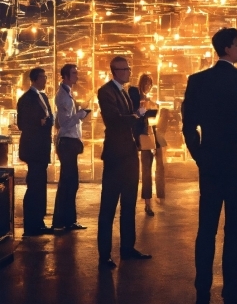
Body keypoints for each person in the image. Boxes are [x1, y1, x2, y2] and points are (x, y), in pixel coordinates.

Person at [183, 27, 237, 304]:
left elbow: (188, 126)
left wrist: (200, 155)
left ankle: (201, 291)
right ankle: (232, 292)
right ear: (228, 49)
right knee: (235, 232)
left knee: (206, 229)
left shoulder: (197, 81)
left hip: (211, 166)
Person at [97, 56, 152, 268]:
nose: (129, 72)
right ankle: (105, 255)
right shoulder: (107, 91)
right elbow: (114, 120)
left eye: (129, 68)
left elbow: (126, 120)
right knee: (109, 207)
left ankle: (127, 248)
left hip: (129, 154)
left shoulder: (124, 92)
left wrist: (138, 118)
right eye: (126, 69)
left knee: (128, 204)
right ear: (116, 71)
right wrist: (136, 116)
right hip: (115, 156)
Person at [52, 63, 90, 231]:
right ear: (65, 76)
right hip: (67, 142)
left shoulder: (67, 93)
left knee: (69, 181)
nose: (77, 75)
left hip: (69, 141)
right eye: (74, 73)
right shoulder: (63, 96)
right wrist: (81, 114)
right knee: (69, 181)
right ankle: (64, 220)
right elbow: (65, 122)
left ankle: (66, 220)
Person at [17, 67, 54, 237]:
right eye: (43, 77)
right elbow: (23, 124)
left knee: (40, 185)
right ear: (34, 79)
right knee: (34, 185)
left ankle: (39, 221)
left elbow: (49, 116)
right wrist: (40, 122)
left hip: (42, 148)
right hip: (33, 149)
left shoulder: (43, 97)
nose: (45, 80)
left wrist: (47, 121)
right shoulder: (26, 99)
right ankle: (31, 223)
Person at [129, 73, 164, 216]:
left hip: (147, 135)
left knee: (147, 170)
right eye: (147, 84)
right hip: (141, 136)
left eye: (150, 84)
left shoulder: (144, 97)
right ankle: (146, 203)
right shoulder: (135, 93)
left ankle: (148, 203)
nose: (148, 87)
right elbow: (136, 116)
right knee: (143, 171)